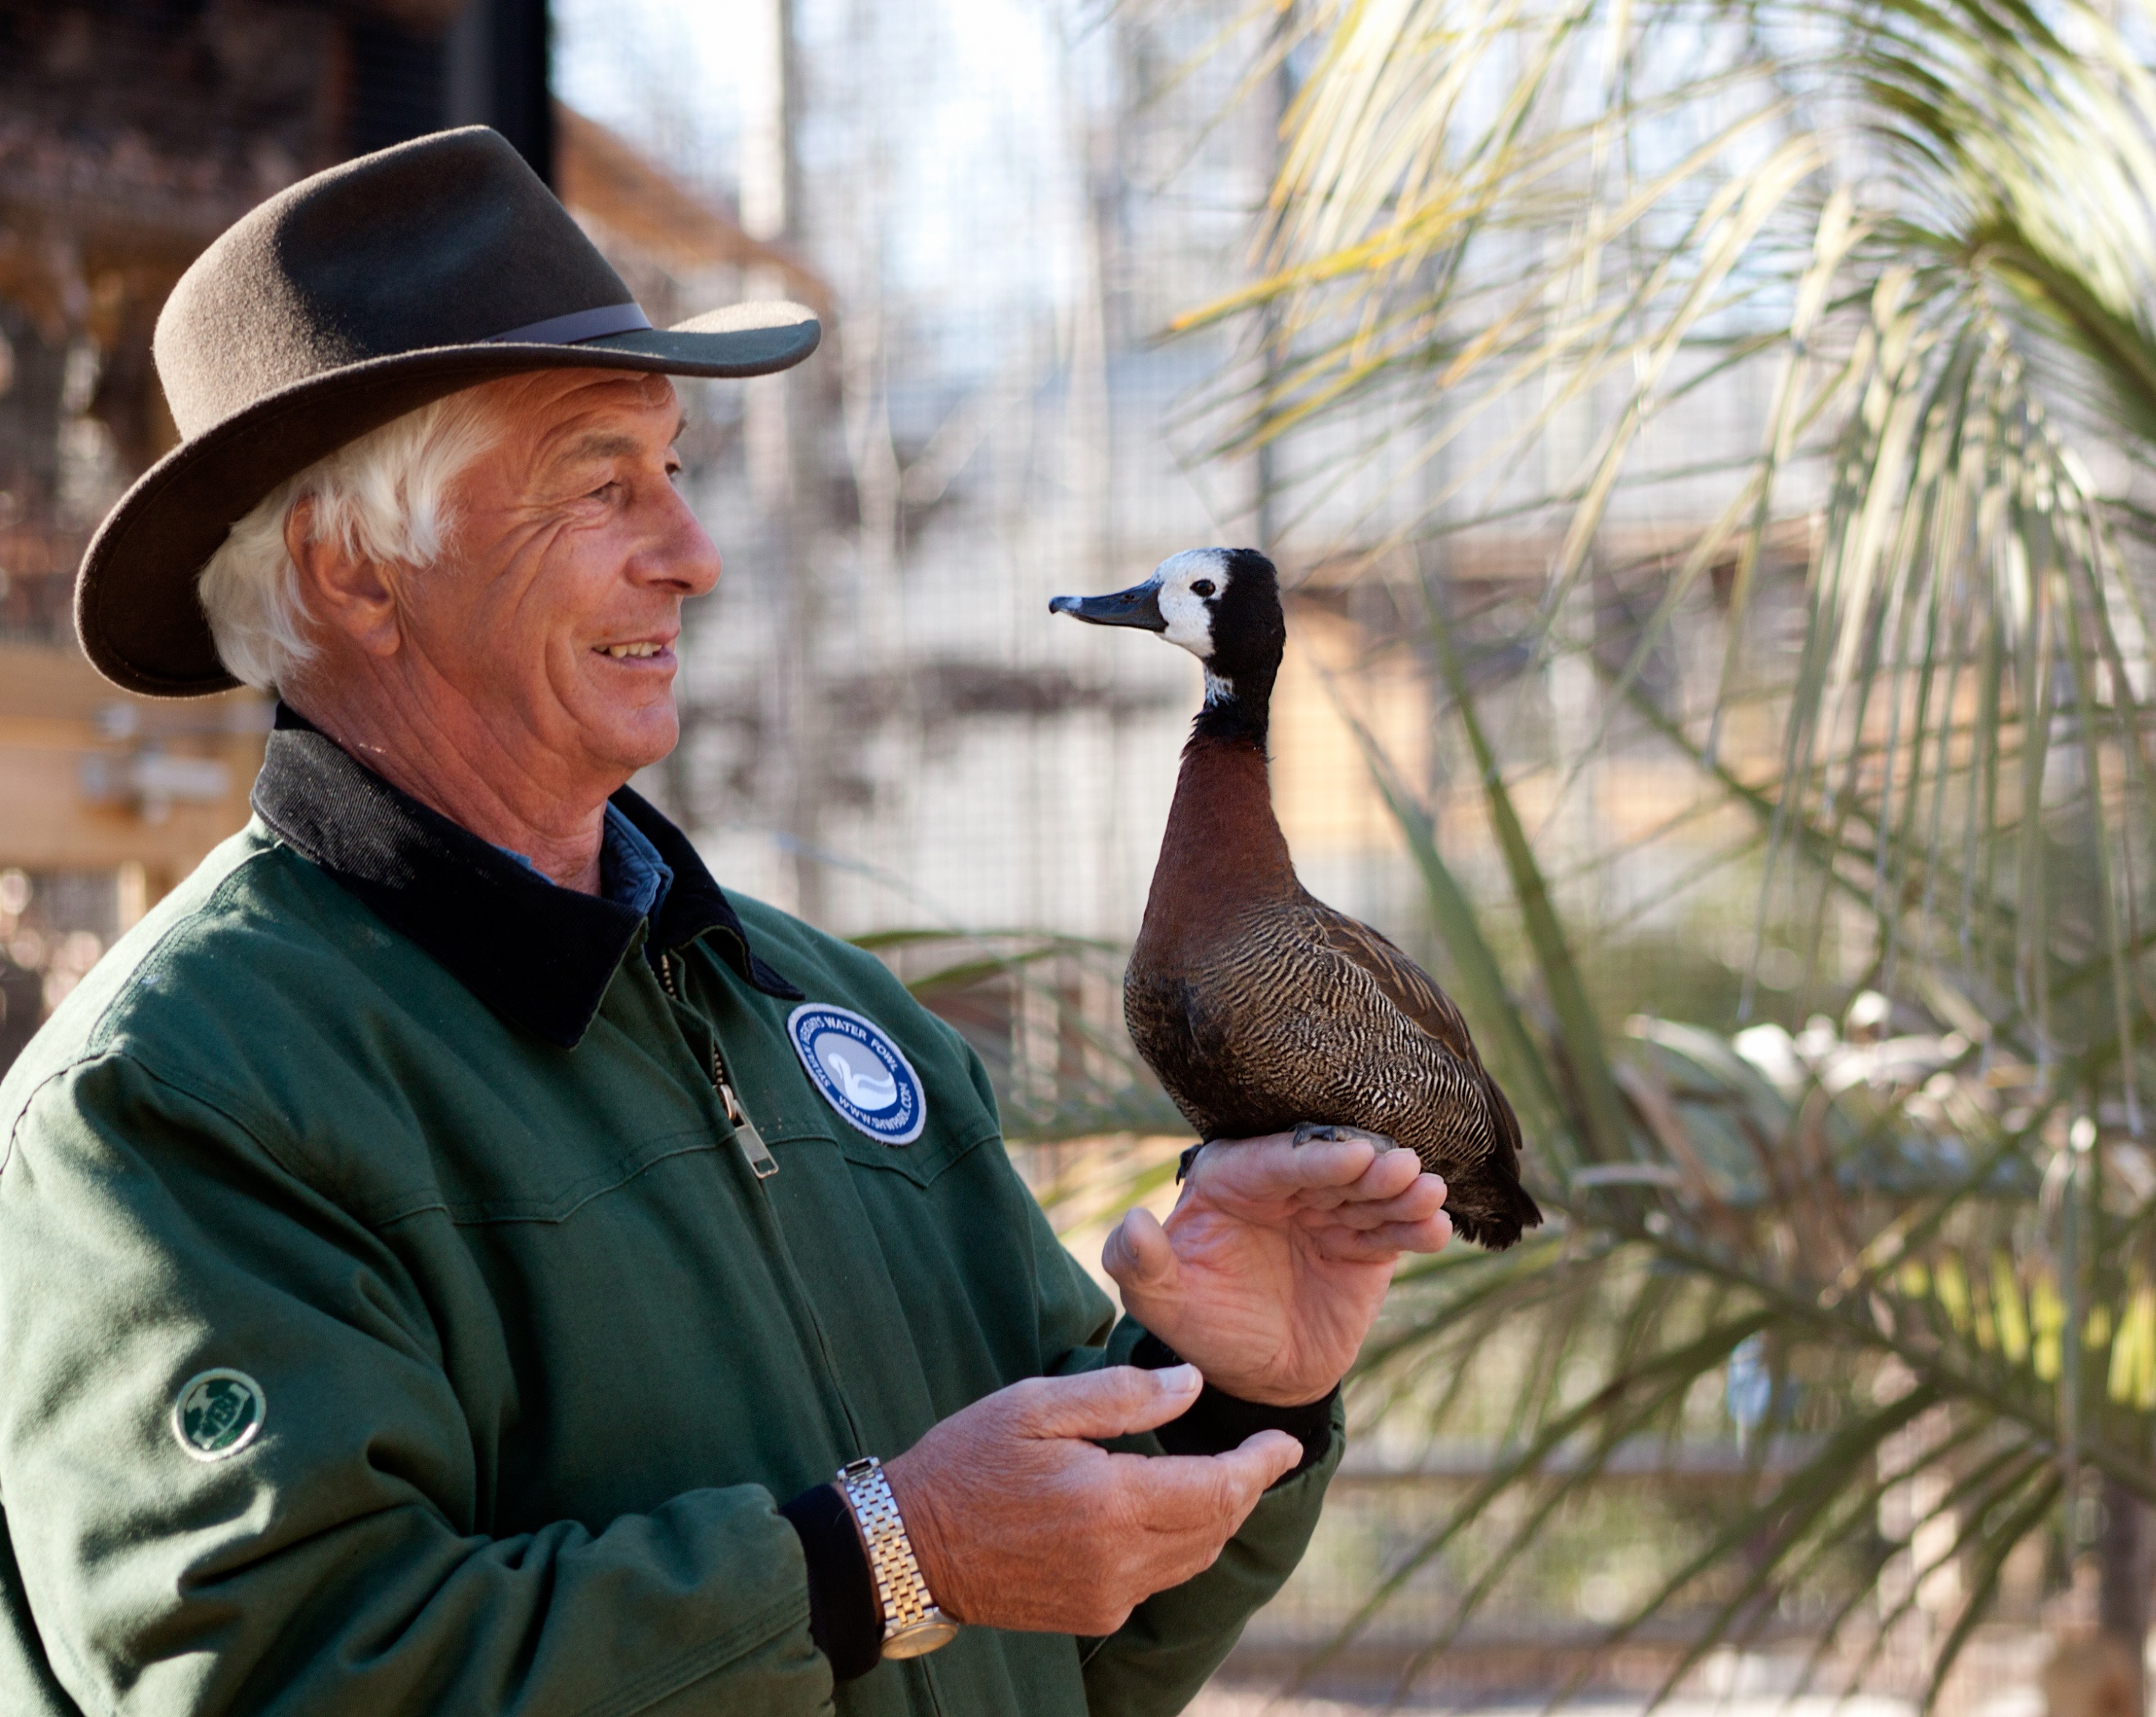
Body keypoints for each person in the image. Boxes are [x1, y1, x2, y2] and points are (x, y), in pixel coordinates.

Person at [0, 128, 1454, 1717]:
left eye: (675, 472)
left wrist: (1228, 1395)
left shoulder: (833, 1011)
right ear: (353, 571)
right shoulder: (170, 1103)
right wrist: (878, 1566)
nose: (691, 554)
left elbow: (1069, 1654)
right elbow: (284, 1678)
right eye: (598, 485)